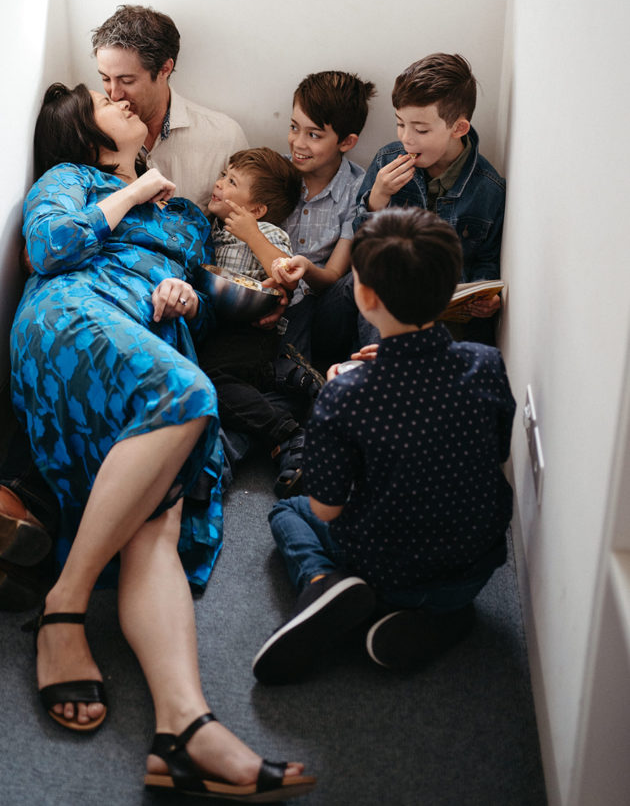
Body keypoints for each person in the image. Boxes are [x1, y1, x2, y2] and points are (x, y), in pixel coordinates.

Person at [0, 83, 315, 800]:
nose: (121, 99)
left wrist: (244, 289)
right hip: (74, 320)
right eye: (103, 98)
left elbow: (219, 294)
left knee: (157, 521)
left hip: (148, 343)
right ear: (81, 132)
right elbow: (50, 248)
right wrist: (133, 188)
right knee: (190, 394)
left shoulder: (184, 213)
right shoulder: (71, 181)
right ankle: (64, 605)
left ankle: (184, 726)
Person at [252, 208, 515, 685]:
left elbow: (326, 509)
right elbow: (495, 450)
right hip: (475, 567)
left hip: (386, 566)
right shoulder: (486, 363)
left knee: (289, 513)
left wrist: (339, 400)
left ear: (365, 295)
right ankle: (445, 619)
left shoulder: (346, 397)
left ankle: (321, 583)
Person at [353, 51, 505, 346]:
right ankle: (378, 375)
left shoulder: (489, 189)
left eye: (420, 129)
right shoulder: (387, 160)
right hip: (387, 299)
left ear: (458, 128)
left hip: (443, 310)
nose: (406, 138)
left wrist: (487, 295)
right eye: (400, 124)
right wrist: (379, 196)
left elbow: (487, 257)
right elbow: (360, 243)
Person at [196, 148, 318, 497]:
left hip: (252, 331)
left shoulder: (266, 231)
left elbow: (286, 273)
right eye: (223, 174)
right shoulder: (211, 228)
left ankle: (288, 432)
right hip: (220, 329)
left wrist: (252, 234)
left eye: (231, 181)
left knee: (208, 383)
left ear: (256, 210)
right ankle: (278, 375)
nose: (219, 184)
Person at [268, 70, 376, 370]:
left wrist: (303, 269)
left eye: (313, 135)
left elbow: (331, 275)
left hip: (323, 309)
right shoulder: (273, 171)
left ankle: (376, 371)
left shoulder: (357, 188)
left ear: (346, 141)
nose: (298, 143)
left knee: (362, 278)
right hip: (268, 295)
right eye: (294, 127)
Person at [93, 4, 248, 210]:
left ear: (165, 69)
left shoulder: (225, 138)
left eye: (127, 80)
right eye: (105, 78)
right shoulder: (92, 136)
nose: (114, 94)